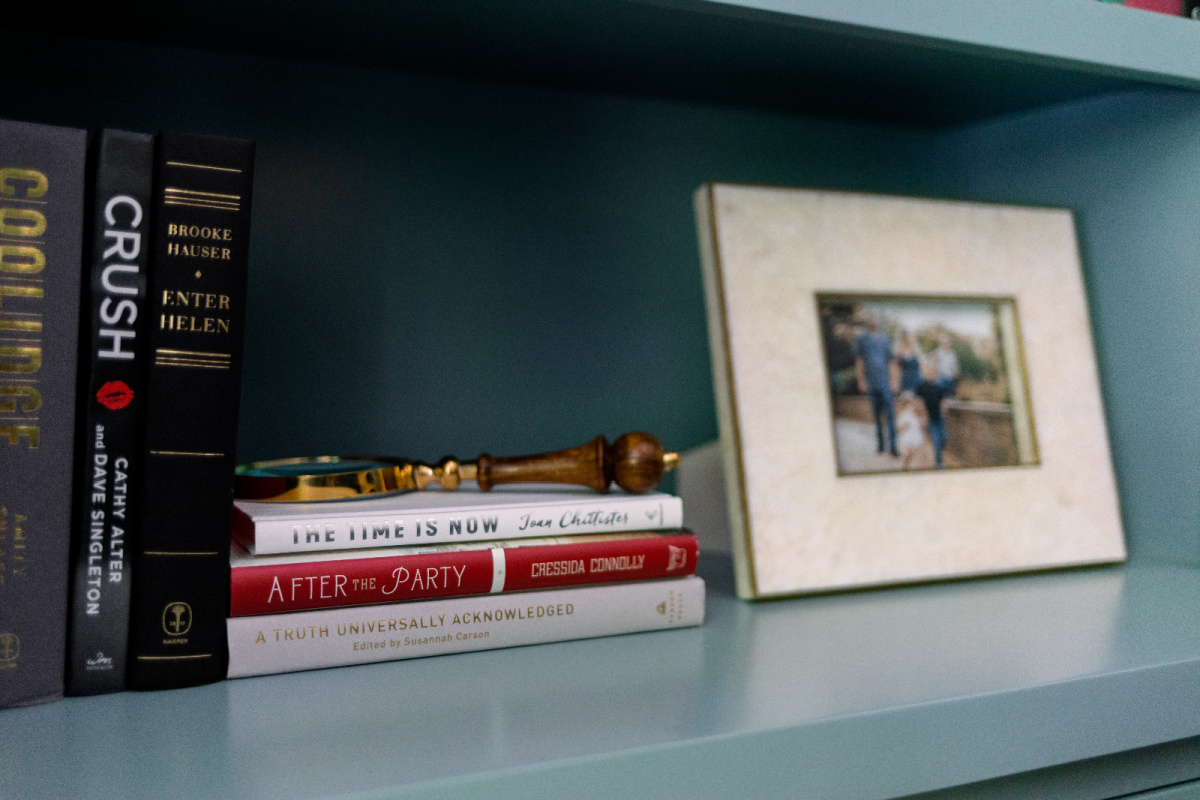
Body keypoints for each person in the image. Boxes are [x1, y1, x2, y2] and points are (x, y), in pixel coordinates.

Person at [854, 314, 899, 457]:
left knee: (890, 415)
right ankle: (880, 444)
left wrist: (894, 381)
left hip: (885, 383)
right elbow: (859, 361)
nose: (873, 321)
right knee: (876, 415)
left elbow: (891, 361)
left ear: (877, 322)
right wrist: (861, 381)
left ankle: (893, 447)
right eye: (871, 319)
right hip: (871, 384)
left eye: (875, 319)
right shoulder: (862, 339)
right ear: (868, 322)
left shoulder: (885, 339)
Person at [915, 361, 953, 468]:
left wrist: (943, 411)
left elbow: (943, 401)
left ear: (934, 372)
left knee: (944, 438)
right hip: (929, 416)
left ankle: (939, 454)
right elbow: (919, 401)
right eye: (927, 370)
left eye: (931, 371)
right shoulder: (921, 385)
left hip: (940, 416)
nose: (929, 372)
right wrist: (923, 415)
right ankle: (939, 461)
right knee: (936, 439)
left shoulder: (940, 385)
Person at [894, 391, 925, 470]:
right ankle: (903, 469)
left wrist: (922, 422)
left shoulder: (916, 416)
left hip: (916, 440)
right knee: (906, 455)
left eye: (912, 405)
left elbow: (920, 426)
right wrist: (903, 426)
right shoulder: (904, 415)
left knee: (917, 457)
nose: (911, 407)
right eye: (909, 405)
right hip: (906, 440)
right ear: (905, 406)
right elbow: (898, 427)